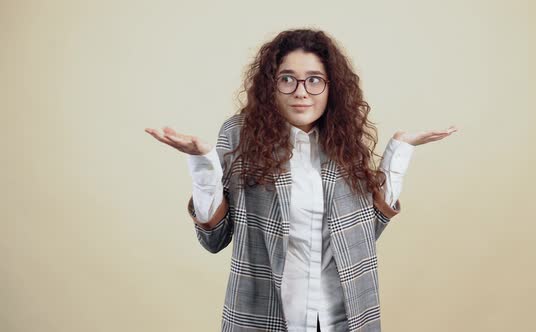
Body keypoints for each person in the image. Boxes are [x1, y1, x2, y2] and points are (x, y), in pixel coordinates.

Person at [145, 29, 457, 332]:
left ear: (331, 86)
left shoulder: (344, 140)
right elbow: (214, 239)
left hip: (345, 317)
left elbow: (363, 235)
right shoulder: (241, 134)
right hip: (265, 316)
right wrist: (202, 162)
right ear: (271, 85)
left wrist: (399, 152)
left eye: (314, 80)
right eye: (287, 79)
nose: (301, 91)